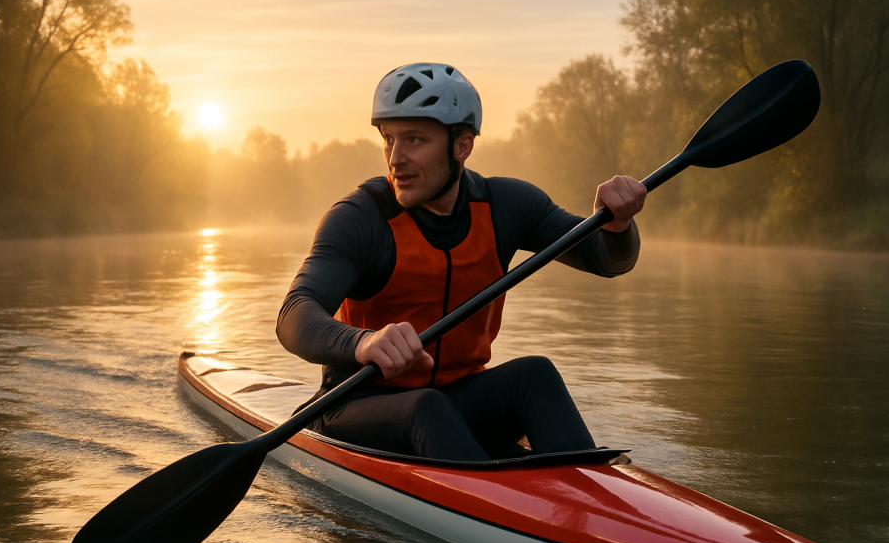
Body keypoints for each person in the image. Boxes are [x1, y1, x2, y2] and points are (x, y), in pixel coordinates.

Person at [277, 62, 646, 462]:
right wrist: (363, 341)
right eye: (388, 140)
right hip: (357, 406)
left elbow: (607, 260)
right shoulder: (360, 219)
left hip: (457, 402)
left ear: (462, 145)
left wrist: (617, 224)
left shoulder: (507, 206)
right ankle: (498, 506)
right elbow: (294, 316)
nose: (395, 158)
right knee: (427, 408)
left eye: (414, 140)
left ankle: (592, 495)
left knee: (535, 376)